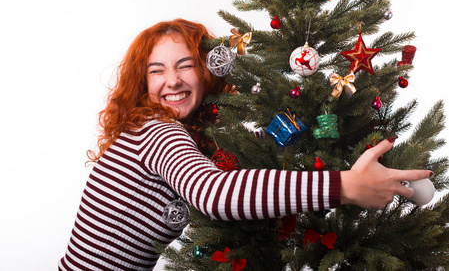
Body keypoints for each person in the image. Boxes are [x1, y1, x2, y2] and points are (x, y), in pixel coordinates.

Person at [58, 19, 432, 271]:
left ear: (207, 72)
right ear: (142, 82)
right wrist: (345, 186)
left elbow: (243, 158)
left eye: (185, 66)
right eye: (156, 70)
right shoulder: (156, 130)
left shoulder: (187, 139)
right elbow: (214, 193)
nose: (171, 81)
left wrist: (305, 115)